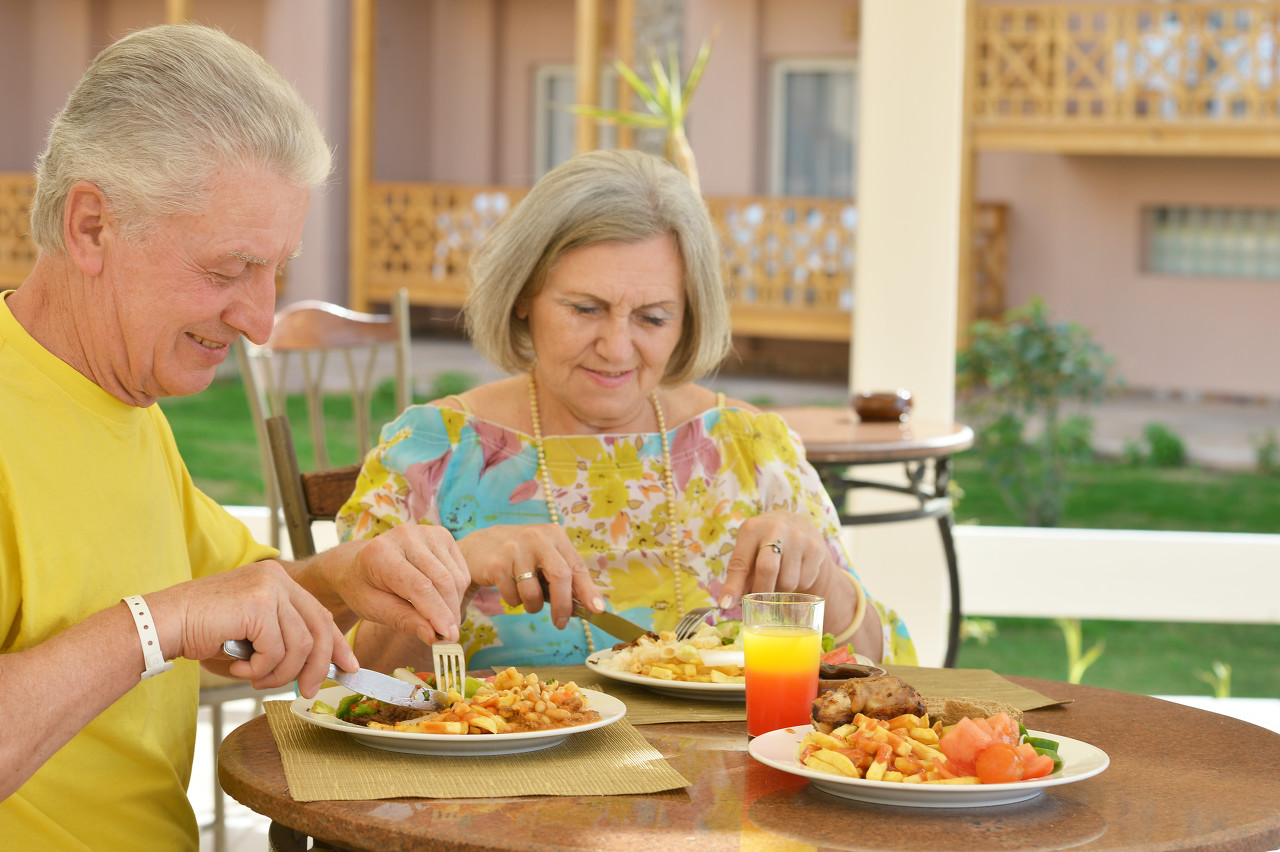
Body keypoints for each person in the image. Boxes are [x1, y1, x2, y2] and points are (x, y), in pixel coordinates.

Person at [0, 25, 469, 847]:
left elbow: (227, 602)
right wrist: (161, 625)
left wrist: (345, 574)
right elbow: (179, 616)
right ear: (91, 228)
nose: (258, 321)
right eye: (226, 271)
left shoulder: (121, 398)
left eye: (275, 272)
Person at [338, 148, 918, 673]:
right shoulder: (428, 452)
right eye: (585, 309)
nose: (617, 349)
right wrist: (455, 572)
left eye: (653, 317)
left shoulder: (753, 450)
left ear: (688, 317)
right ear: (522, 297)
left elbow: (886, 668)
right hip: (497, 787)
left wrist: (822, 581)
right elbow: (348, 680)